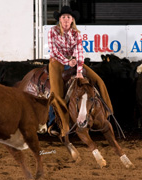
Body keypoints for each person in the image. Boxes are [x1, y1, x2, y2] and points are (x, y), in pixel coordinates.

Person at [48, 6, 113, 137]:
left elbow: (79, 52)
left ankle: (107, 111)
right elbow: (53, 50)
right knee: (55, 92)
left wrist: (78, 70)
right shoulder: (53, 31)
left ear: (72, 20)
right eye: (63, 17)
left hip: (74, 61)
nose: (66, 19)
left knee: (97, 80)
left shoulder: (76, 34)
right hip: (56, 62)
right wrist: (67, 62)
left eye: (68, 17)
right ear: (60, 20)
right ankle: (54, 123)